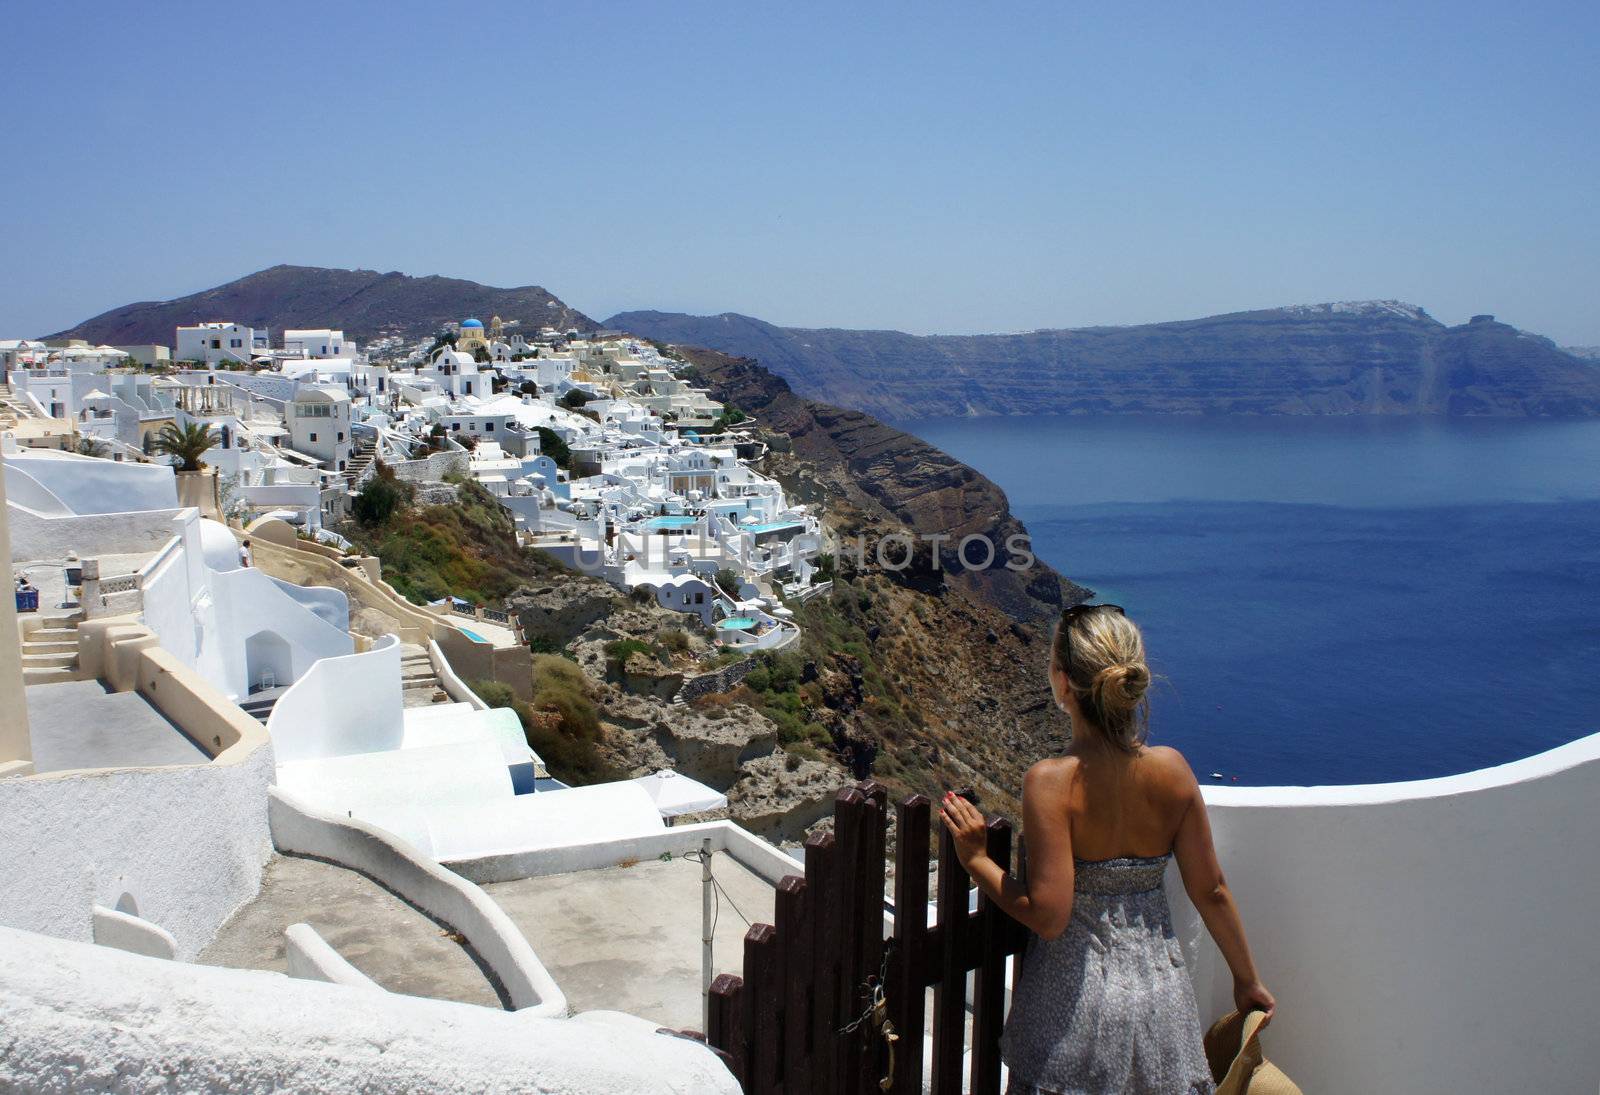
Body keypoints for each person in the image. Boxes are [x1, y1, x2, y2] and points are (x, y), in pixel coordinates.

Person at [940, 604, 1274, 1095]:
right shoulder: (1173, 770)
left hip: (1074, 1010)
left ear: (1061, 681)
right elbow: (1212, 890)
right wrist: (1246, 981)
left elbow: (1049, 916)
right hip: (1163, 1004)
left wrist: (975, 860)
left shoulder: (1051, 782)